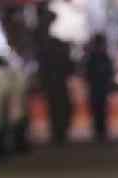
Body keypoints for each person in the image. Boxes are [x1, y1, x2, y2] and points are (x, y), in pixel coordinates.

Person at [34, 7, 74, 145]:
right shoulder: (43, 41)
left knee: (59, 106)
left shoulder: (51, 42)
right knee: (56, 106)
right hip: (53, 79)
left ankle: (59, 131)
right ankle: (58, 131)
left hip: (57, 80)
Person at [84, 33, 114, 141]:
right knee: (98, 110)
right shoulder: (95, 57)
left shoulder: (99, 57)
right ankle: (99, 132)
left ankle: (100, 132)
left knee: (100, 110)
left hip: (99, 88)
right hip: (97, 88)